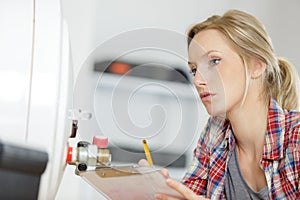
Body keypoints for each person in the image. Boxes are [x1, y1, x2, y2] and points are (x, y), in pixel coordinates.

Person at [154, 9, 300, 200]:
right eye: (194, 70)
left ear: (257, 65)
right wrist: (159, 191)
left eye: (214, 61)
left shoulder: (296, 137)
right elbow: (190, 194)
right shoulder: (214, 135)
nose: (198, 80)